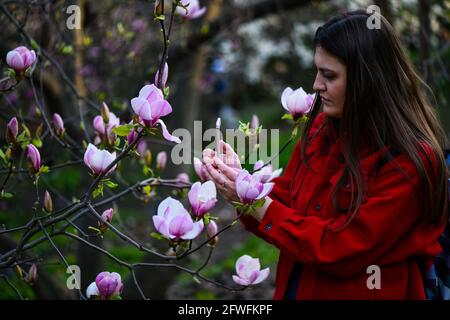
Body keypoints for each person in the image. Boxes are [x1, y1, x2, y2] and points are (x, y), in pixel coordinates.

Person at [201, 10, 449, 300]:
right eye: (317, 71)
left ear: (367, 80)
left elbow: (341, 248)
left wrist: (255, 202)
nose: (317, 85)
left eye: (329, 75)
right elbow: (288, 198)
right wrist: (239, 184)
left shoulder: (410, 162)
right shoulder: (322, 129)